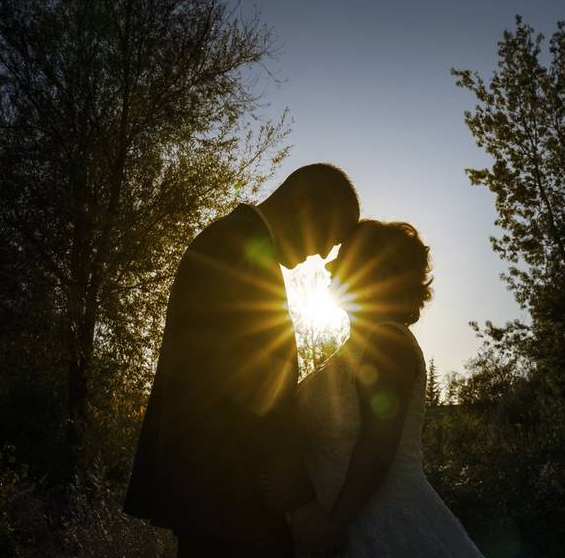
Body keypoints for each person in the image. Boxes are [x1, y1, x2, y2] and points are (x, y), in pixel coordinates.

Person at [124, 164, 359, 557]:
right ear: (302, 202)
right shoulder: (238, 251)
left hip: (219, 495)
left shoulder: (235, 242)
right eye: (327, 236)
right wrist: (300, 504)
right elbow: (256, 389)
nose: (322, 254)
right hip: (228, 495)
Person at [293, 220, 483, 556]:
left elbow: (377, 447)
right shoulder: (353, 347)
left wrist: (334, 526)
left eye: (344, 257)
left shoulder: (388, 342)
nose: (329, 265)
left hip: (379, 527)